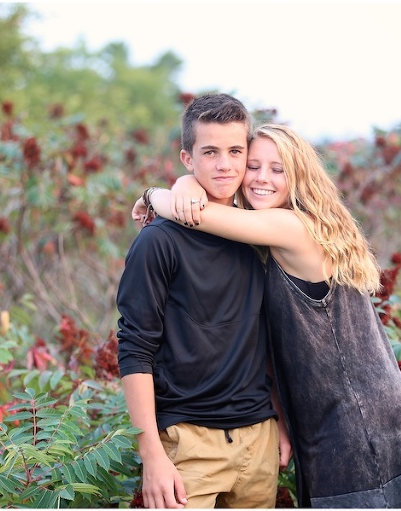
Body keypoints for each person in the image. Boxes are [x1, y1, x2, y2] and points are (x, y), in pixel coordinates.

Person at [135, 123, 401, 508]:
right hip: (363, 407)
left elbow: (195, 215)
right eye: (253, 166)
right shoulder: (285, 229)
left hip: (354, 416)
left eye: (277, 169)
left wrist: (156, 193)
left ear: (298, 176)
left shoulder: (292, 227)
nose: (261, 178)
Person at [116, 94, 291, 509]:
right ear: (187, 159)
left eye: (235, 152)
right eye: (210, 152)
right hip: (187, 443)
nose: (224, 165)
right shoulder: (158, 242)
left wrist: (280, 421)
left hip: (259, 439)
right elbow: (135, 349)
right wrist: (152, 456)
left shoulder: (261, 235)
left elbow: (265, 338)